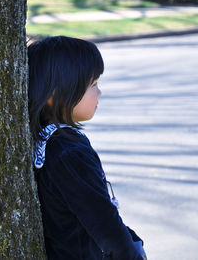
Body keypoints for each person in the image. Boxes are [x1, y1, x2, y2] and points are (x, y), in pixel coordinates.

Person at [28, 36, 147, 260]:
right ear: (55, 93)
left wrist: (132, 238)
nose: (99, 92)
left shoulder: (51, 140)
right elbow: (104, 224)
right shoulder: (69, 154)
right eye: (93, 84)